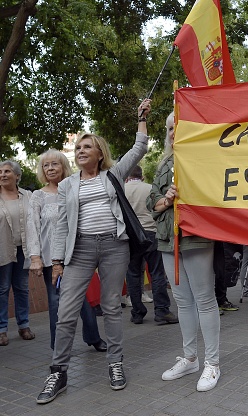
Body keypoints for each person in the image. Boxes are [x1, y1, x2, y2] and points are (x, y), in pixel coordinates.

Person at [36, 99, 152, 404]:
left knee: (112, 307)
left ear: (100, 153)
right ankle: (58, 371)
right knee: (66, 312)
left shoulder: (113, 175)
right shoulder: (67, 185)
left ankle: (115, 364)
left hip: (115, 246)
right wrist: (57, 262)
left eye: (87, 147)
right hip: (81, 248)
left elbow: (139, 147)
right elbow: (62, 225)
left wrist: (141, 116)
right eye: (78, 149)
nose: (81, 151)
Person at [148, 111, 221, 392]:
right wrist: (166, 200)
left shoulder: (204, 159)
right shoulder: (164, 161)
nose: (172, 133)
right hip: (168, 239)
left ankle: (212, 363)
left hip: (196, 237)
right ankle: (190, 358)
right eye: (168, 129)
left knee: (204, 299)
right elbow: (151, 201)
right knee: (182, 300)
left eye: (178, 126)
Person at [27, 150, 106, 352]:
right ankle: (58, 346)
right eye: (46, 165)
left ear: (64, 166)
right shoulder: (38, 196)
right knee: (56, 302)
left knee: (83, 299)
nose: (51, 168)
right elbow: (32, 228)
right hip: (50, 259)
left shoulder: (73, 188)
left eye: (55, 164)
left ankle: (94, 338)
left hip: (76, 254)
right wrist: (35, 257)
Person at [124, 165, 178, 325]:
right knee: (157, 273)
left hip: (131, 235)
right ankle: (162, 310)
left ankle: (137, 312)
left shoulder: (121, 189)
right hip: (151, 232)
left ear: (127, 176)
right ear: (142, 176)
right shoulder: (149, 189)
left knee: (133, 274)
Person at [0, 160, 34, 346]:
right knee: (2, 289)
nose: (3, 174)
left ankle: (24, 325)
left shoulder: (27, 196)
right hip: (2, 249)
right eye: (0, 172)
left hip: (24, 249)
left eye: (7, 171)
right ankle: (1, 330)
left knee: (22, 288)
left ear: (17, 176)